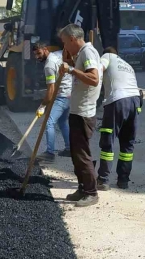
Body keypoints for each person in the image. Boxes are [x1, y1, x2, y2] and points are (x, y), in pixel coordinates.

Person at [58, 24, 103, 207]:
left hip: (84, 113)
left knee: (82, 154)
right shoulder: (81, 54)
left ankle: (91, 192)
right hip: (77, 111)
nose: (64, 47)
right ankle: (82, 188)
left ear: (72, 39)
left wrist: (71, 70)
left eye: (64, 43)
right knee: (76, 154)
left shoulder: (87, 53)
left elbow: (93, 79)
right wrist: (69, 60)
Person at [97, 47, 141, 190]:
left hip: (117, 101)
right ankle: (123, 180)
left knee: (108, 142)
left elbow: (98, 71)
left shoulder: (107, 56)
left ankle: (103, 180)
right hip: (135, 101)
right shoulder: (127, 65)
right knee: (127, 143)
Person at [32, 42, 72, 163]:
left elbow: (51, 89)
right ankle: (69, 149)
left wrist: (42, 105)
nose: (37, 57)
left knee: (49, 122)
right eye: (35, 54)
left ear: (45, 49)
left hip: (62, 96)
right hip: (70, 94)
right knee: (62, 121)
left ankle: (50, 153)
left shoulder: (49, 66)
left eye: (39, 53)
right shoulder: (58, 54)